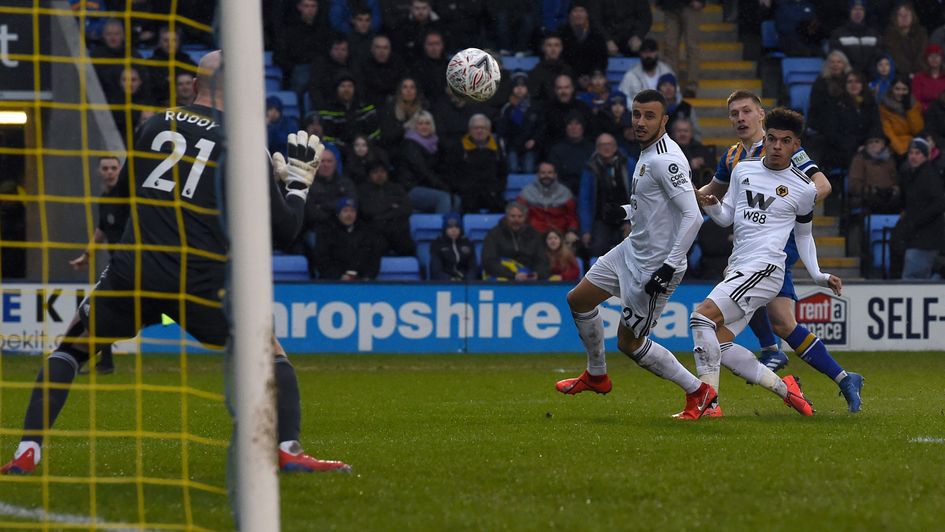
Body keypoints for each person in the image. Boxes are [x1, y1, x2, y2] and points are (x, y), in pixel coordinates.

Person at [1, 51, 350, 475]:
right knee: (269, 352)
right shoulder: (241, 142)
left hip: (135, 273)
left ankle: (27, 451)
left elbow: (124, 196)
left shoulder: (153, 125)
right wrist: (296, 185)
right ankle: (289, 450)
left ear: (197, 85)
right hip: (199, 280)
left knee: (70, 349)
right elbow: (285, 231)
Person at [698, 90, 864, 414]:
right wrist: (681, 196)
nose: (741, 118)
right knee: (784, 322)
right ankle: (841, 378)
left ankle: (768, 352)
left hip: (775, 249)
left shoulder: (787, 149)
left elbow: (822, 186)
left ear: (760, 114)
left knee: (734, 310)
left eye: (747, 111)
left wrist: (788, 205)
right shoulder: (734, 159)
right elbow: (714, 198)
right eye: (734, 113)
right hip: (747, 249)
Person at [555, 89, 716, 421]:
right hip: (631, 250)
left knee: (629, 343)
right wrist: (626, 211)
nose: (640, 122)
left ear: (664, 120)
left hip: (654, 266)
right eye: (637, 114)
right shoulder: (646, 153)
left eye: (649, 116)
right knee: (579, 300)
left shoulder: (665, 160)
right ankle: (596, 375)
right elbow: (657, 206)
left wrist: (667, 267)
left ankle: (698, 392)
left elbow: (693, 216)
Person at [68, 155, 129, 374]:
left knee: (101, 309)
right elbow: (101, 231)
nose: (109, 172)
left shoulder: (127, 197)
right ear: (99, 172)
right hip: (117, 265)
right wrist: (86, 256)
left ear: (120, 170)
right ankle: (105, 363)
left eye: (113, 168)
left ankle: (76, 358)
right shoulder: (104, 199)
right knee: (103, 309)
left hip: (131, 264)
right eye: (105, 168)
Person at [897, 138, 945, 279]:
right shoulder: (913, 175)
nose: (913, 156)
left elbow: (939, 203)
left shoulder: (929, 175)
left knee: (912, 280)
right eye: (911, 153)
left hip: (925, 239)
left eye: (918, 153)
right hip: (918, 237)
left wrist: (917, 221)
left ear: (926, 156)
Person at [578, 133, 633, 257]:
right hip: (601, 218)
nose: (606, 148)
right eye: (602, 145)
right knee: (597, 248)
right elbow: (585, 201)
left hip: (627, 215)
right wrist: (586, 230)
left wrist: (631, 222)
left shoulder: (628, 164)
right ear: (597, 148)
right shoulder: (590, 168)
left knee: (633, 248)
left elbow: (638, 194)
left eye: (609, 144)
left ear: (615, 147)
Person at [443, 114, 508, 214]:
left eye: (483, 128)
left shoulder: (497, 148)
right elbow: (452, 172)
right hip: (467, 193)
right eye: (476, 128)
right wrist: (462, 188)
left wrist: (496, 188)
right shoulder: (458, 147)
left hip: (491, 192)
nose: (479, 131)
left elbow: (503, 172)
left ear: (489, 130)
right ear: (469, 130)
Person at [395, 110, 456, 213]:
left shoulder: (435, 143)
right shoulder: (409, 145)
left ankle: (453, 223)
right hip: (411, 187)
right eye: (420, 123)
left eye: (427, 123)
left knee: (456, 199)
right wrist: (443, 187)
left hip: (428, 186)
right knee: (444, 197)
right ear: (415, 126)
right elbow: (422, 171)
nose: (424, 127)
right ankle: (440, 224)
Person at [313, 197, 386, 280]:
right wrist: (338, 276)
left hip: (362, 281)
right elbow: (321, 259)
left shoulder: (367, 232)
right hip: (333, 281)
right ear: (338, 213)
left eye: (352, 211)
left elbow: (374, 258)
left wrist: (366, 276)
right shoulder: (326, 231)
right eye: (345, 211)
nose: (349, 214)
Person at [356, 162, 416, 256]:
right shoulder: (363, 190)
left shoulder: (396, 188)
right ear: (369, 175)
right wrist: (391, 206)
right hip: (376, 233)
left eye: (382, 171)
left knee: (408, 245)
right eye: (375, 172)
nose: (380, 175)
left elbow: (407, 208)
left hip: (398, 232)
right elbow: (367, 211)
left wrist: (381, 214)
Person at [481, 202, 549, 280]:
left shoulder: (534, 235)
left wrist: (538, 274)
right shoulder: (494, 234)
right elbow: (489, 261)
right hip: (502, 276)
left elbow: (542, 260)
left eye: (520, 216)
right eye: (513, 216)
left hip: (528, 277)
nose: (516, 220)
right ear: (506, 217)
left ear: (525, 218)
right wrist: (513, 275)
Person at [516, 161, 579, 238]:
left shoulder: (565, 193)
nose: (546, 175)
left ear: (555, 175)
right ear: (537, 175)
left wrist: (571, 231)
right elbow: (518, 216)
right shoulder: (526, 193)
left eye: (550, 173)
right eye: (543, 173)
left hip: (559, 236)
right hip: (533, 236)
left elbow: (572, 217)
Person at [497, 71, 540, 174]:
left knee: (529, 169)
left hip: (530, 148)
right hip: (512, 147)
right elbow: (502, 131)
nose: (520, 89)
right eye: (517, 86)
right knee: (513, 168)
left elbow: (541, 127)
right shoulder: (507, 108)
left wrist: (534, 140)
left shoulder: (534, 107)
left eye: (523, 86)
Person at [657, 0, 703, 95]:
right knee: (670, 48)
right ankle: (671, 84)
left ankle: (691, 86)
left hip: (690, 6)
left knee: (691, 47)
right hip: (670, 6)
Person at [829, 0, 883, 76]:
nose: (858, 12)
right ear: (849, 11)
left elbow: (878, 55)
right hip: (846, 77)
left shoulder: (874, 34)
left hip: (870, 76)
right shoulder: (838, 34)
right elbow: (837, 56)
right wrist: (851, 72)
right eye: (854, 9)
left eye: (861, 9)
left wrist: (870, 71)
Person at [559, 5, 608, 84]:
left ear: (587, 14)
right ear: (570, 14)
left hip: (591, 78)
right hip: (567, 78)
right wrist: (575, 77)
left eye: (581, 11)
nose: (578, 14)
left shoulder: (597, 34)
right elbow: (560, 60)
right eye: (575, 11)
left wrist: (591, 76)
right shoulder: (561, 33)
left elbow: (601, 60)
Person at [617, 38, 676, 103]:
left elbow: (677, 95)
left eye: (651, 52)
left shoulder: (666, 71)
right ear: (640, 53)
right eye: (645, 52)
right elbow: (622, 97)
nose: (648, 55)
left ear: (657, 53)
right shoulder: (631, 75)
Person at [879, 76, 925, 158]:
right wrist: (903, 151)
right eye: (897, 89)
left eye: (904, 89)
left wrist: (910, 110)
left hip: (914, 145)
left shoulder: (914, 105)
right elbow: (889, 134)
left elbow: (918, 131)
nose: (900, 92)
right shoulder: (884, 108)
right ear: (892, 89)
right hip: (896, 148)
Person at [429, 212, 478, 281]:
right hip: (446, 283)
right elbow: (436, 270)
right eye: (450, 227)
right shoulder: (437, 244)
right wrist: (451, 280)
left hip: (466, 282)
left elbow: (473, 268)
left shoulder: (468, 244)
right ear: (445, 229)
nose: (454, 230)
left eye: (457, 227)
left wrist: (468, 279)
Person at [527, 33, 575, 103]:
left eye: (556, 45)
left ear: (561, 48)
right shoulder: (535, 72)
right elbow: (534, 98)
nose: (553, 49)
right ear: (543, 48)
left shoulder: (568, 70)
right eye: (549, 45)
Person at [883, 3, 928, 77]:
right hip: (897, 74)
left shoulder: (921, 33)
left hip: (919, 73)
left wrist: (916, 71)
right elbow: (895, 55)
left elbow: (922, 53)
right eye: (900, 15)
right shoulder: (889, 35)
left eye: (907, 15)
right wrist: (907, 73)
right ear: (895, 17)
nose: (904, 18)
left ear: (912, 16)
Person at [912, 44, 945, 111]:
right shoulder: (918, 77)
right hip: (924, 112)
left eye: (937, 56)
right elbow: (916, 100)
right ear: (926, 59)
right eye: (931, 56)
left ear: (942, 58)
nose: (934, 59)